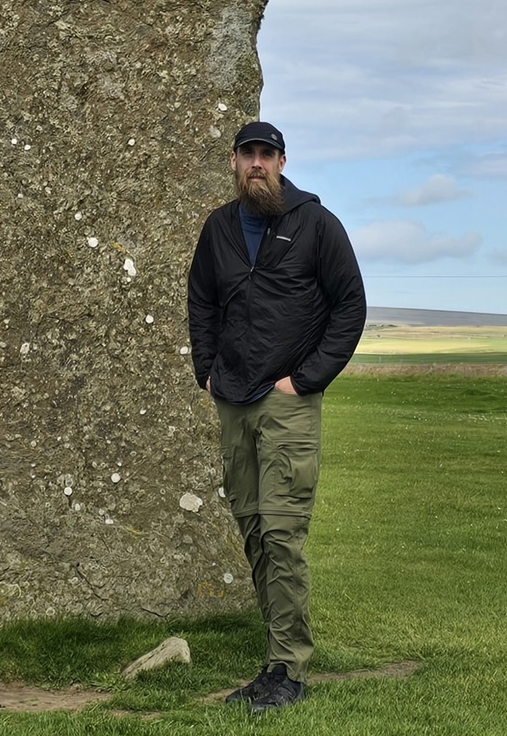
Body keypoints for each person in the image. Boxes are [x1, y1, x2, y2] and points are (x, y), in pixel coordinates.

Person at [187, 120, 365, 714]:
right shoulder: (218, 229)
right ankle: (274, 656)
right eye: (248, 155)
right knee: (254, 530)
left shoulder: (316, 224)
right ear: (234, 163)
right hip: (233, 399)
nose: (257, 164)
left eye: (267, 154)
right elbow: (202, 301)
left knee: (283, 533)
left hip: (286, 403)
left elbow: (350, 306)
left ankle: (287, 668)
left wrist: (306, 379)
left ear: (283, 162)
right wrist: (205, 370)